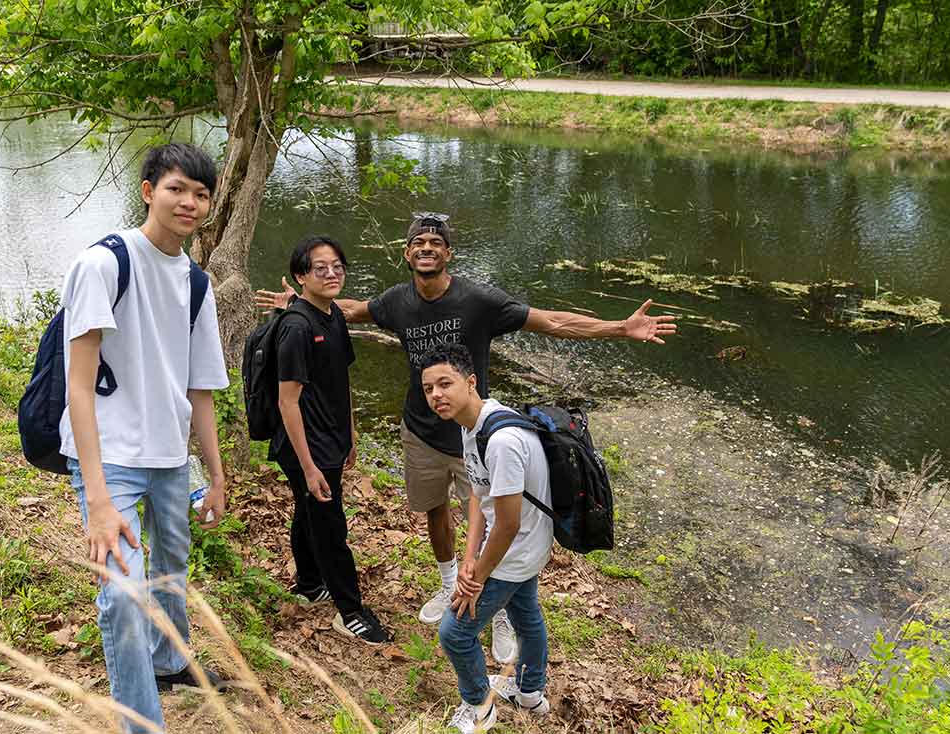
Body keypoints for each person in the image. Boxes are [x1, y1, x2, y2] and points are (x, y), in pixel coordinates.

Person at [256, 213, 675, 664]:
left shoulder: (477, 299)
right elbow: (350, 309)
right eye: (418, 242)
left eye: (436, 242)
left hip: (473, 435)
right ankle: (446, 581)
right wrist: (303, 302)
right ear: (406, 253)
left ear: (448, 253)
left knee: (494, 520)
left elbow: (550, 321)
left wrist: (618, 327)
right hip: (420, 433)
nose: (427, 248)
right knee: (436, 514)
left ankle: (496, 610)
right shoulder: (397, 301)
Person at [60, 143, 230, 733]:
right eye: (177, 188)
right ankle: (142, 723)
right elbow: (78, 388)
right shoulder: (104, 263)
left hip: (170, 454)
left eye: (201, 193)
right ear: (147, 189)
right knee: (125, 597)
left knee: (174, 565)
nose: (189, 202)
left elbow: (201, 388)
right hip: (111, 454)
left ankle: (170, 661)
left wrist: (216, 473)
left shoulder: (196, 283)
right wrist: (99, 502)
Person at [420, 343, 553, 733]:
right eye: (429, 389)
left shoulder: (502, 440)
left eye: (445, 384)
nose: (436, 395)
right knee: (526, 615)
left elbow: (508, 524)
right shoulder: (471, 425)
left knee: (455, 631)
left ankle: (479, 705)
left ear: (471, 381)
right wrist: (468, 557)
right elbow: (480, 495)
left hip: (518, 548)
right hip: (518, 545)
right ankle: (530, 694)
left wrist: (476, 578)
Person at [270, 235, 391, 644]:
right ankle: (350, 611)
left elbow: (341, 378)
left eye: (337, 265)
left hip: (331, 438)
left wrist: (351, 432)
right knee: (329, 523)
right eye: (320, 267)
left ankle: (308, 583)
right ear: (301, 275)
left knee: (310, 512)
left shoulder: (333, 315)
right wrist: (308, 467)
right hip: (305, 445)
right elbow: (288, 403)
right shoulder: (297, 328)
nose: (332, 273)